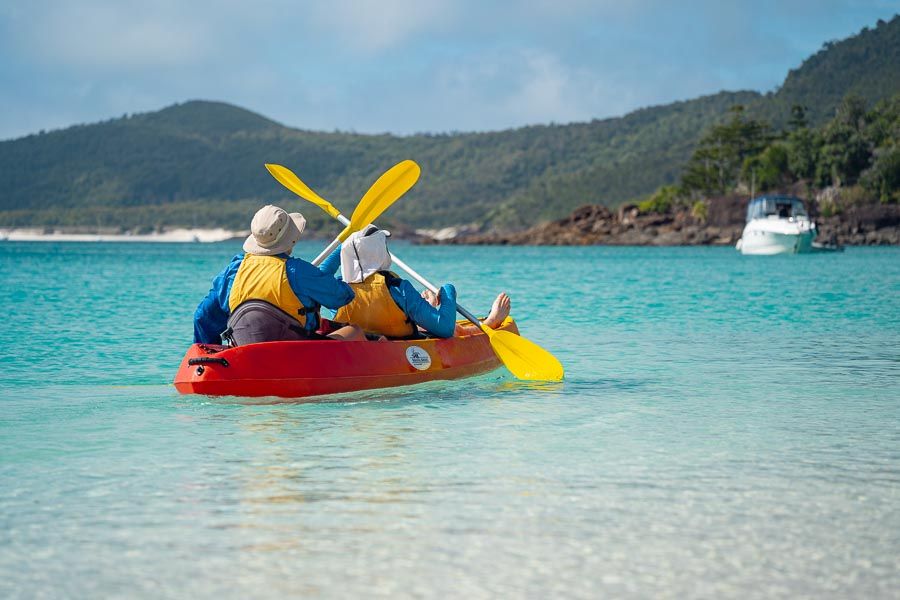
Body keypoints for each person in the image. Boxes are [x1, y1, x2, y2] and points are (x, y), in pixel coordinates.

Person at [193, 205, 365, 345]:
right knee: (354, 331)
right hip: (294, 352)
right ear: (291, 238)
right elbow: (342, 297)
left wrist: (210, 350)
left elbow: (202, 317)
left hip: (244, 351)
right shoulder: (297, 270)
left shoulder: (233, 270)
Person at [333, 225, 511, 339]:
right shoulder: (398, 289)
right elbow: (445, 330)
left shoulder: (336, 288)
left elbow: (320, 273)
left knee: (414, 317)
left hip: (368, 342)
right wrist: (449, 292)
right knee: (455, 331)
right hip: (399, 344)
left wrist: (348, 242)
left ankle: (427, 309)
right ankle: (490, 323)